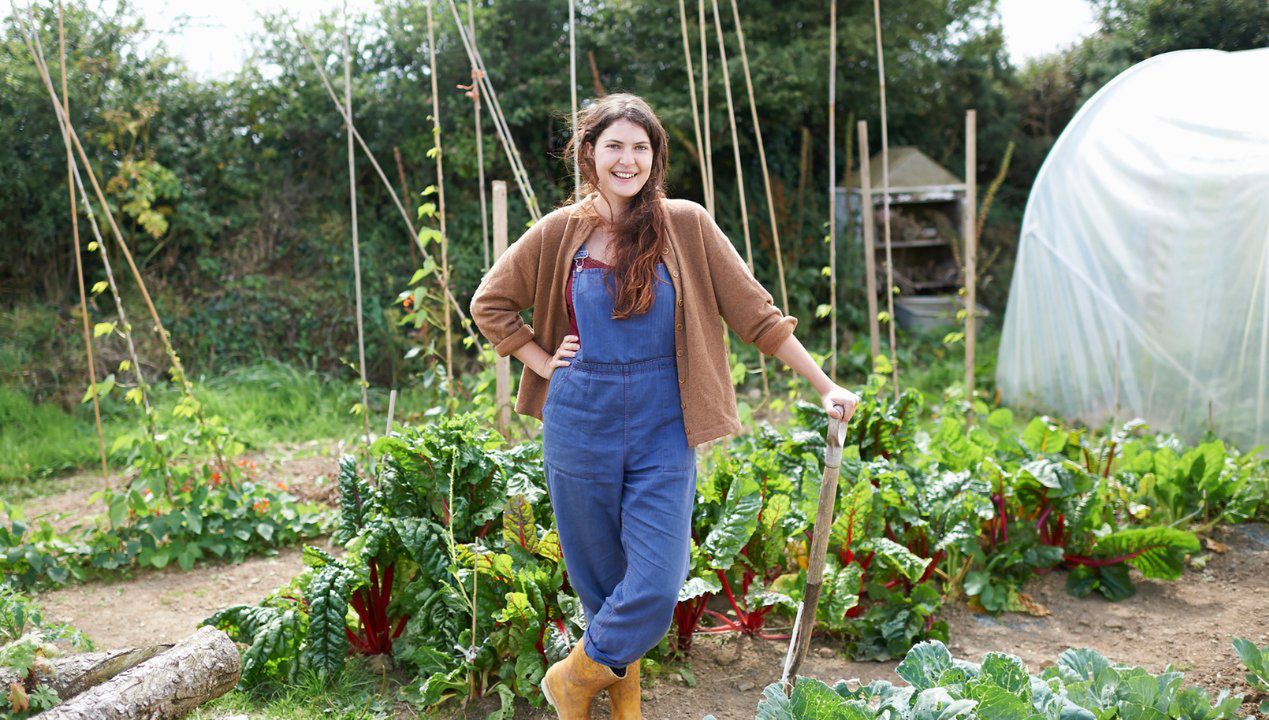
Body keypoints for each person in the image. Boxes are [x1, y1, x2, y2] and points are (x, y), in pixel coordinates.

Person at [470, 93, 859, 719]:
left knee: (655, 581)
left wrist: (823, 383)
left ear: (656, 156)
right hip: (579, 418)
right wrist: (541, 361)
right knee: (600, 582)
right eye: (614, 146)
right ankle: (620, 705)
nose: (628, 160)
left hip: (664, 422)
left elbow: (755, 313)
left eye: (641, 147)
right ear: (588, 153)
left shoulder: (686, 224)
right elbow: (490, 303)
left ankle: (571, 679)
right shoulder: (557, 233)